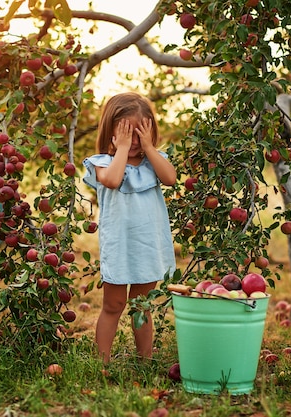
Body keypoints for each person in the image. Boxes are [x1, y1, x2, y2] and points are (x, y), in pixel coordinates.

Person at [82, 92, 177, 364]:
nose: (134, 141)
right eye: (126, 134)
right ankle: (102, 362)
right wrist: (121, 149)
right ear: (110, 131)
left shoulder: (154, 162)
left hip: (147, 245)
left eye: (139, 134)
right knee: (113, 305)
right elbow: (112, 180)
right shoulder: (101, 162)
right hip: (120, 246)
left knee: (141, 306)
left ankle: (144, 360)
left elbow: (170, 178)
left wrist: (148, 148)